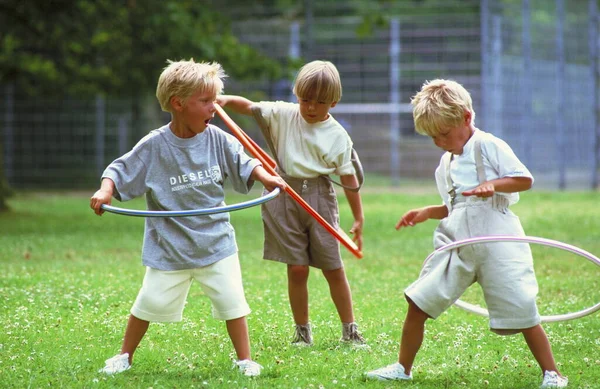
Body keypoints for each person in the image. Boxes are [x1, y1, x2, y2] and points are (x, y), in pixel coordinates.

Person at [366, 79, 568, 388]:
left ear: (466, 117)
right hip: (457, 243)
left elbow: (523, 179)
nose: (439, 142)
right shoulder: (445, 164)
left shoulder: (488, 145)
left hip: (497, 241)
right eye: (433, 136)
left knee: (522, 307)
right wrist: (427, 212)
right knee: (418, 301)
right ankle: (402, 368)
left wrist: (493, 185)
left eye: (444, 133)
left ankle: (552, 373)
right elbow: (454, 206)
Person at [90, 59, 286, 377]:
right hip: (169, 246)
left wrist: (266, 178)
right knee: (147, 302)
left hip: (215, 242)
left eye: (215, 100)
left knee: (233, 302)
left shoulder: (218, 139)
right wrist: (105, 191)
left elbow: (246, 162)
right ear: (179, 104)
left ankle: (245, 359)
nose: (214, 108)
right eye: (206, 101)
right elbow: (119, 169)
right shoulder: (155, 146)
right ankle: (123, 356)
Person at [217, 60, 366, 346]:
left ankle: (350, 329)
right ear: (297, 95)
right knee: (296, 268)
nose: (310, 107)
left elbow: (348, 179)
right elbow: (248, 106)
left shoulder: (337, 136)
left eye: (320, 102)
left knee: (333, 267)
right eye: (305, 100)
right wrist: (221, 100)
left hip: (319, 197)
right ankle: (302, 332)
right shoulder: (284, 114)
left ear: (333, 103)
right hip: (282, 193)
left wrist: (358, 218)